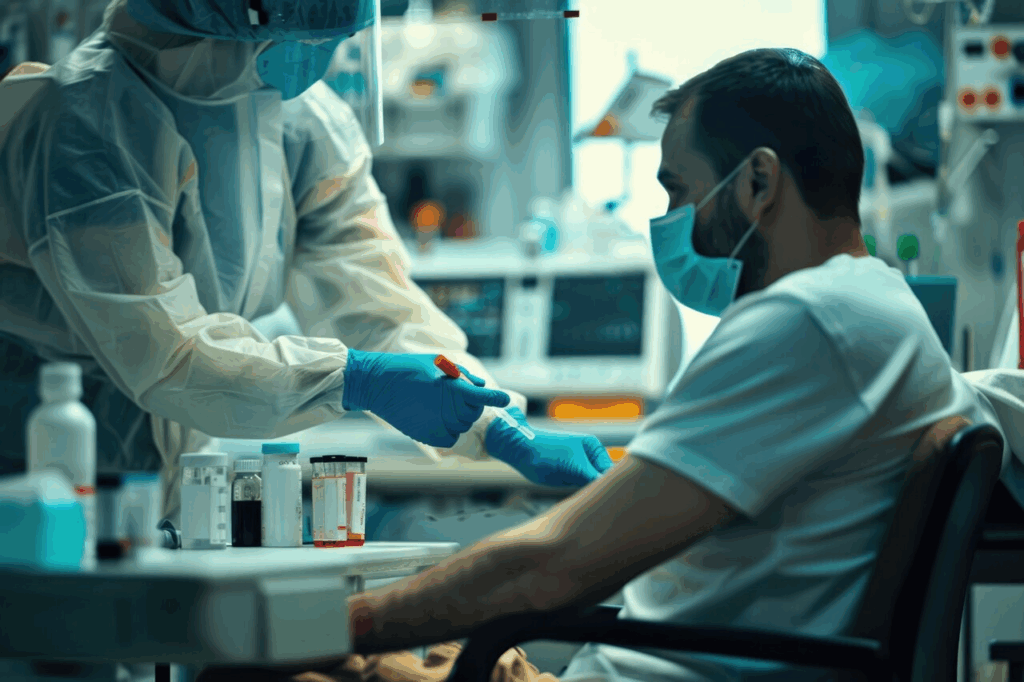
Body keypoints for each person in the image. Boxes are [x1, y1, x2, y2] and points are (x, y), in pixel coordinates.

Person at [197, 46, 1018, 682]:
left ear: (759, 181)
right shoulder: (876, 304)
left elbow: (546, 569)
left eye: (676, 190)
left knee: (256, 661)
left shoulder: (807, 319)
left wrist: (336, 622)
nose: (667, 220)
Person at [0, 0, 611, 524]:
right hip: (40, 462)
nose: (334, 45)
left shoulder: (299, 116)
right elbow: (166, 351)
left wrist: (498, 426)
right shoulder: (85, 119)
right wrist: (357, 377)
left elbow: (376, 296)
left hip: (176, 455)